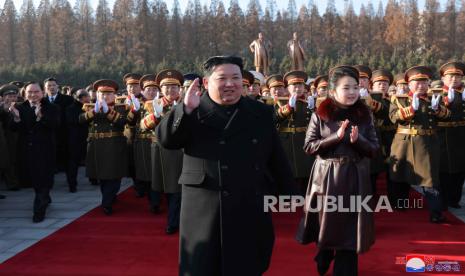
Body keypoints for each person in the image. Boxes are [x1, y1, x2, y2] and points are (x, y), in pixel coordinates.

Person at [156, 56, 295, 276]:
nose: (230, 84)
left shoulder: (260, 112)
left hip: (248, 205)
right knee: (202, 267)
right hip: (204, 210)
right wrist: (185, 109)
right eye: (222, 78)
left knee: (247, 265)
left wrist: (292, 197)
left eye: (236, 78)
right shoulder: (193, 109)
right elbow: (167, 140)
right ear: (206, 81)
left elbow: (276, 157)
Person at [296, 65, 379, 276]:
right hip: (326, 178)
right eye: (346, 87)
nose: (352, 92)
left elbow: (374, 149)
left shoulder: (364, 114)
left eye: (355, 87)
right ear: (333, 91)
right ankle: (324, 252)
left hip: (355, 177)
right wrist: (336, 138)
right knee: (327, 227)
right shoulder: (321, 114)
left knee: (350, 234)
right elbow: (309, 146)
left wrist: (358, 140)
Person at [389, 66, 450, 223]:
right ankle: (398, 204)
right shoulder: (399, 99)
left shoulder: (433, 99)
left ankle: (436, 213)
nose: (420, 86)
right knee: (400, 176)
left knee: (430, 179)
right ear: (409, 84)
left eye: (424, 82)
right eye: (416, 82)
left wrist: (437, 109)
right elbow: (394, 117)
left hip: (427, 144)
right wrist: (411, 109)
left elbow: (447, 116)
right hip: (404, 144)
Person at [140, 69, 184, 234]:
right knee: (166, 188)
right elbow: (143, 126)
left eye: (174, 87)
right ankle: (169, 215)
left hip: (181, 152)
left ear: (179, 89)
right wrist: (156, 116)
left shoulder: (186, 104)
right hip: (161, 151)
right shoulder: (153, 104)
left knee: (177, 190)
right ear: (161, 89)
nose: (170, 90)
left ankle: (173, 222)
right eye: (166, 87)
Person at [9, 82, 60, 222]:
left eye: (36, 92)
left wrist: (41, 117)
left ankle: (39, 211)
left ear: (42, 92)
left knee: (42, 180)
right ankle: (45, 196)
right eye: (30, 92)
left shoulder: (52, 107)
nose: (33, 95)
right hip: (26, 150)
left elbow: (55, 125)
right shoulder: (20, 107)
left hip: (44, 149)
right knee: (34, 179)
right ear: (25, 94)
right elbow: (13, 128)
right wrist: (16, 118)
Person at [79, 79, 128, 215]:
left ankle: (106, 202)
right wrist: (94, 112)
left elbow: (122, 122)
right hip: (97, 145)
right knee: (102, 176)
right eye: (101, 94)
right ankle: (108, 197)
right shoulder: (90, 107)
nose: (105, 96)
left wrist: (108, 112)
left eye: (108, 94)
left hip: (114, 144)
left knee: (114, 175)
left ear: (114, 95)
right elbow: (80, 119)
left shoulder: (120, 108)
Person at [129, 74, 160, 213]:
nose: (152, 92)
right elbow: (129, 122)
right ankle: (152, 200)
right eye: (149, 90)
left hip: (160, 141)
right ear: (143, 91)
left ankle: (157, 199)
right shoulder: (138, 105)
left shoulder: (163, 103)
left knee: (159, 172)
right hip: (143, 142)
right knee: (146, 173)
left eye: (154, 90)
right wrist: (134, 111)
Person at [437, 61, 465, 209]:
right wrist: (446, 101)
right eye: (451, 77)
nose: (454, 79)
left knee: (459, 170)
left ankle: (454, 199)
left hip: (460, 135)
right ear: (443, 79)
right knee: (444, 170)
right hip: (443, 135)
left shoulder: (463, 93)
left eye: (458, 77)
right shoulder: (437, 93)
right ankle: (443, 199)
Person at [44, 77, 74, 175]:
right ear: (45, 88)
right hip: (47, 131)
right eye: (49, 86)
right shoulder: (42, 101)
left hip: (63, 131)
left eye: (53, 85)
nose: (51, 87)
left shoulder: (67, 99)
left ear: (57, 87)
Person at [65, 89, 91, 192]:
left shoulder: (90, 107)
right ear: (82, 98)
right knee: (73, 163)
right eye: (87, 96)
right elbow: (74, 121)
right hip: (76, 139)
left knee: (89, 160)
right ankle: (72, 184)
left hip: (85, 138)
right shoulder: (71, 109)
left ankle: (92, 179)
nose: (89, 98)